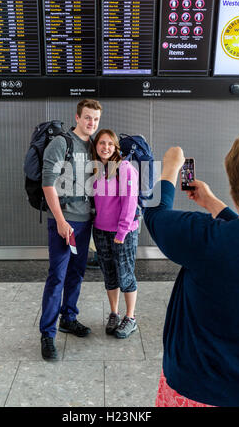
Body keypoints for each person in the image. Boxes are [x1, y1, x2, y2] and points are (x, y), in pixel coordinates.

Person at [144, 127, 239, 407]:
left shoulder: (206, 239)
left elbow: (156, 214)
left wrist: (171, 166)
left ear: (235, 185)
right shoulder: (215, 237)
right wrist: (211, 203)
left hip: (196, 391)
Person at [39, 99, 102, 361]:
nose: (92, 123)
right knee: (57, 276)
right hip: (64, 222)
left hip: (85, 220)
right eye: (87, 117)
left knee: (76, 274)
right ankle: (47, 334)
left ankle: (69, 317)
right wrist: (61, 221)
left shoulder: (95, 147)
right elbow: (48, 184)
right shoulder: (61, 144)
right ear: (77, 117)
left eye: (96, 119)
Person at [92, 129, 139, 339]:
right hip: (100, 230)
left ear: (116, 147)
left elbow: (130, 202)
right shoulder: (96, 169)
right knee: (109, 274)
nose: (106, 147)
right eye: (102, 143)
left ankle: (130, 318)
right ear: (96, 147)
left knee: (125, 274)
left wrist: (121, 231)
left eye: (110, 144)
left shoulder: (125, 168)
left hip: (123, 232)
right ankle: (114, 313)